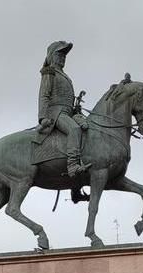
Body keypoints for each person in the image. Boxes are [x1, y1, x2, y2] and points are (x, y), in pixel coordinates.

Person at [38, 40, 91, 177]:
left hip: (69, 113)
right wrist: (43, 117)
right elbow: (44, 95)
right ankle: (72, 166)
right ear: (51, 56)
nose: (62, 58)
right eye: (59, 55)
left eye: (64, 56)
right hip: (56, 113)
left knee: (88, 127)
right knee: (74, 129)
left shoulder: (65, 75)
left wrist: (76, 111)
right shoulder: (49, 72)